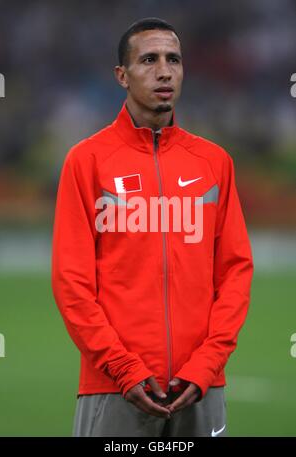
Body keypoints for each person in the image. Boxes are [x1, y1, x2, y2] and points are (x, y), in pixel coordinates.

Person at [51, 17, 254, 437]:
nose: (164, 71)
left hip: (200, 386)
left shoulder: (214, 163)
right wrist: (122, 367)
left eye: (173, 60)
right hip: (113, 387)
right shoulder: (86, 162)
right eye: (149, 59)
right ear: (121, 76)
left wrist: (206, 364)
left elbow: (235, 272)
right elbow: (71, 282)